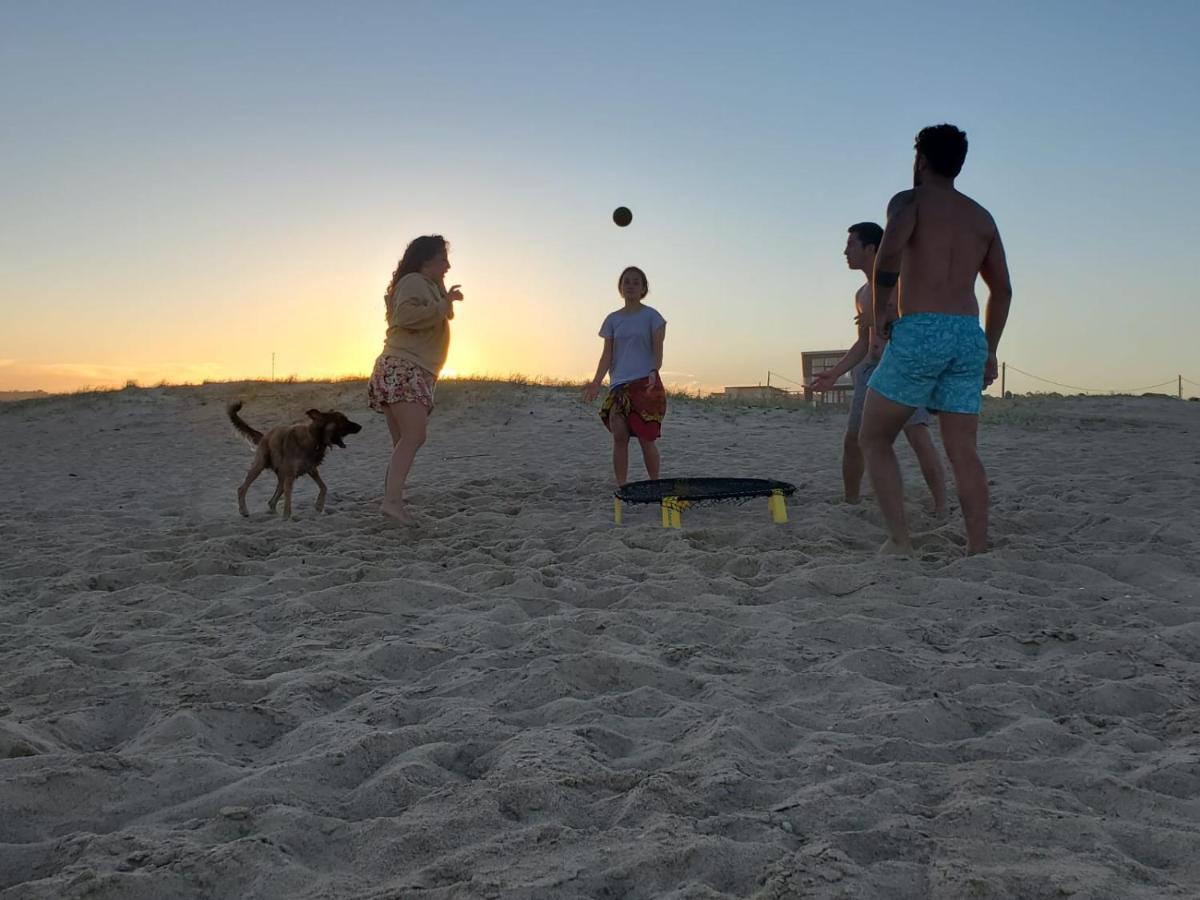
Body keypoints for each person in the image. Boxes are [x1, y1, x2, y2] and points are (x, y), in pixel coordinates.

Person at [860, 124, 1013, 555]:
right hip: (967, 333)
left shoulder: (909, 201)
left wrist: (881, 312)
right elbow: (1002, 290)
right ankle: (978, 548)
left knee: (874, 438)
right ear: (959, 163)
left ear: (920, 160)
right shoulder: (981, 217)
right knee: (963, 450)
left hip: (924, 327)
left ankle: (900, 541)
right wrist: (991, 349)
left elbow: (888, 255)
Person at [810, 222, 948, 516]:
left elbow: (918, 325)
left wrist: (884, 316)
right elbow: (863, 343)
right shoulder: (861, 293)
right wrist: (835, 373)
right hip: (871, 371)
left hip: (903, 367)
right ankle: (851, 501)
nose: (845, 251)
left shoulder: (900, 283)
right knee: (854, 439)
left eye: (851, 245)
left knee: (917, 436)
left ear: (871, 248)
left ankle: (941, 506)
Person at [367, 235, 463, 525]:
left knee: (403, 441)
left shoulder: (428, 286)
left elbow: (440, 315)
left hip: (407, 368)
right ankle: (392, 502)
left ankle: (393, 500)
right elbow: (406, 316)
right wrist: (443, 300)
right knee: (414, 437)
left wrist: (445, 296)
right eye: (442, 259)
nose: (448, 264)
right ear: (425, 260)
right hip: (404, 366)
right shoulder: (412, 281)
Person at [582, 266, 667, 485]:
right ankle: (622, 486)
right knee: (619, 435)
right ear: (620, 287)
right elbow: (606, 356)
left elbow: (657, 352)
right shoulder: (612, 319)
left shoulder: (653, 317)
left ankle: (655, 484)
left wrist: (653, 372)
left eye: (636, 282)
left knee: (646, 439)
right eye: (626, 282)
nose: (630, 285)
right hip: (619, 385)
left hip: (645, 384)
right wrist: (596, 383)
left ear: (644, 288)